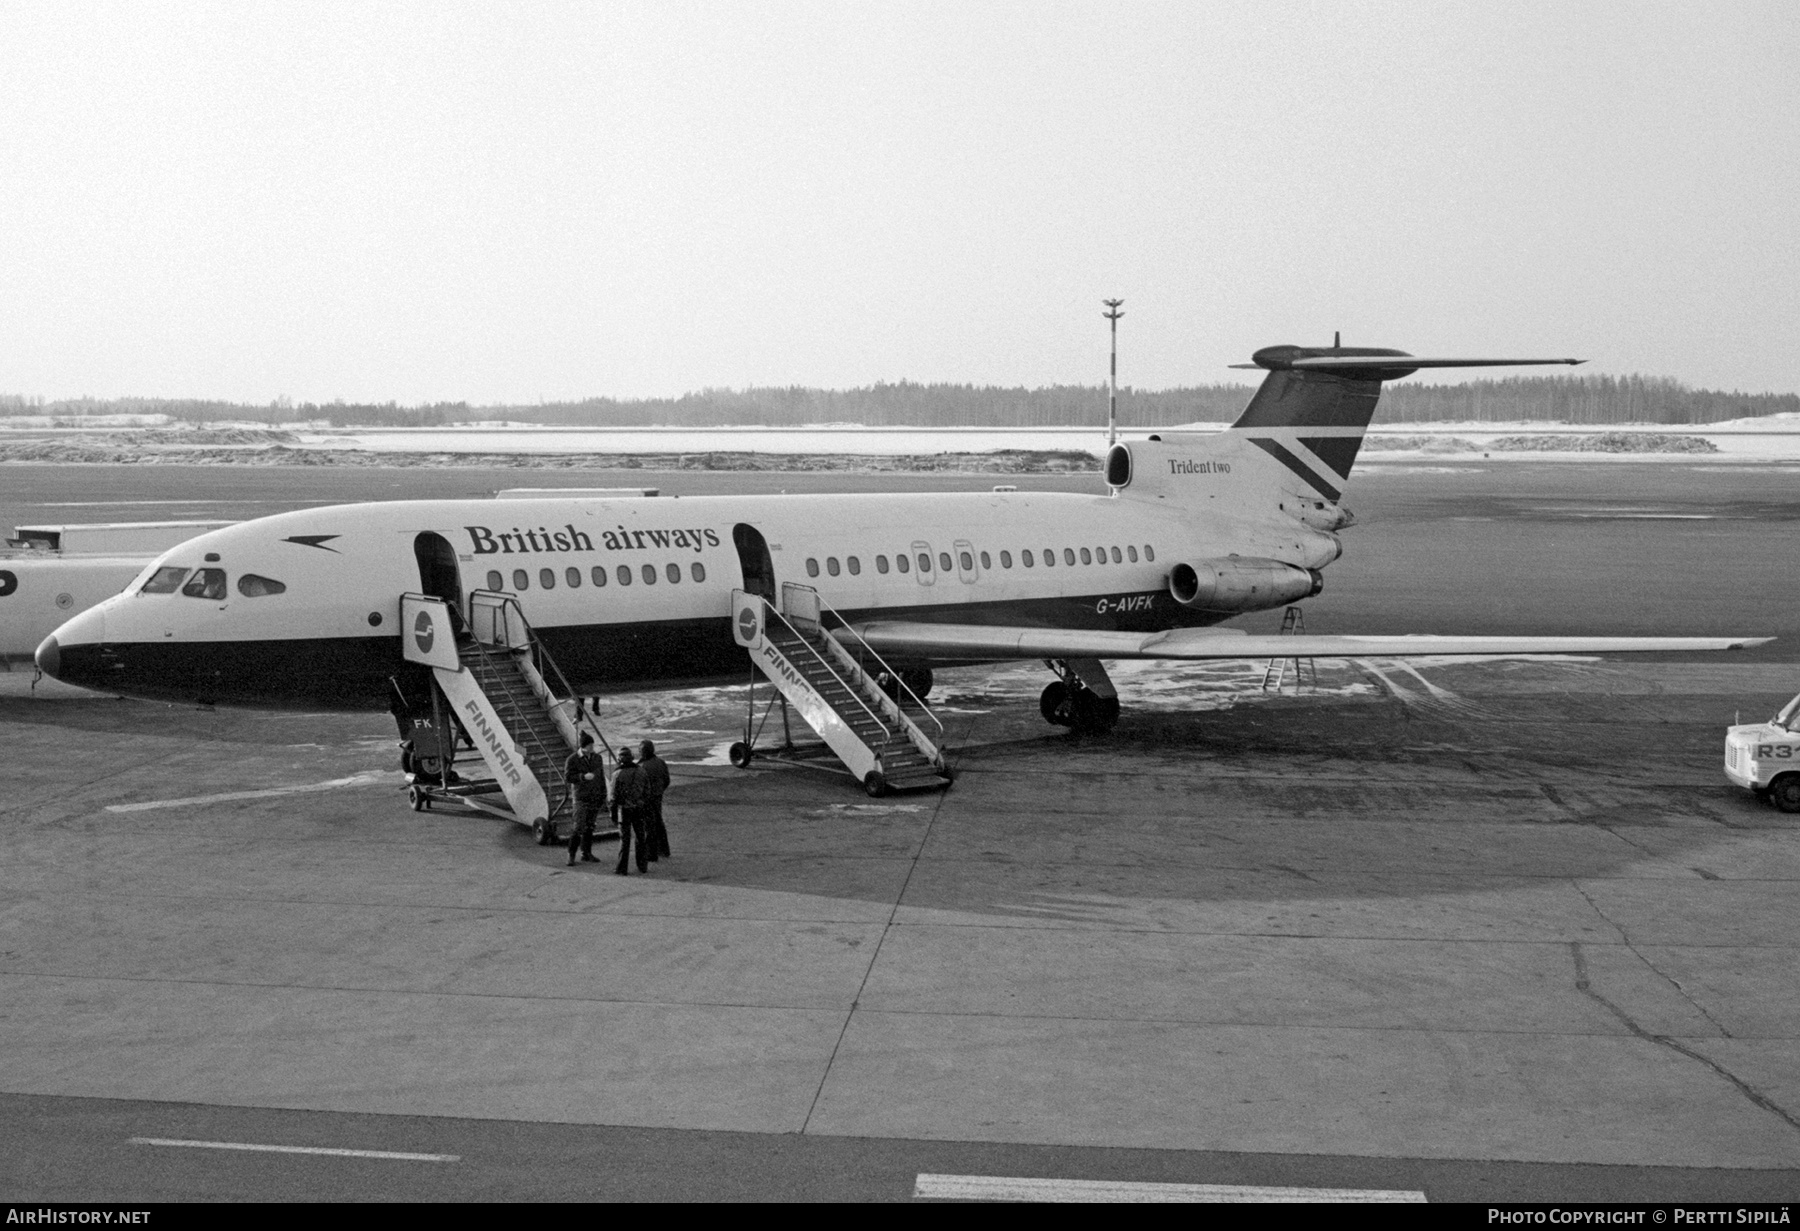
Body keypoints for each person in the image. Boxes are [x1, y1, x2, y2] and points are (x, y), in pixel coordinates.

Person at [563, 731, 608, 866]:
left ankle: (586, 853)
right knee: (578, 827)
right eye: (589, 745)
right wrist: (582, 777)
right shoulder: (572, 760)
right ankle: (571, 855)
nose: (592, 748)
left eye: (592, 745)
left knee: (590, 826)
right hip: (581, 797)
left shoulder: (597, 758)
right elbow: (568, 777)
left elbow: (600, 777)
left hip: (595, 796)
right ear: (583, 746)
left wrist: (603, 795)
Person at [611, 747, 649, 875]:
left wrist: (613, 814)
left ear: (619, 759)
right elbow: (647, 791)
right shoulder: (641, 771)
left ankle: (622, 868)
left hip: (624, 810)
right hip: (639, 808)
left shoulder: (617, 774)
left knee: (625, 839)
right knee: (640, 837)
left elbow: (613, 797)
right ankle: (642, 866)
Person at [639, 739, 672, 861]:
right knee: (659, 822)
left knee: (649, 825)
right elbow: (667, 780)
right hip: (658, 796)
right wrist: (659, 791)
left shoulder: (642, 766)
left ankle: (651, 853)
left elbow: (639, 786)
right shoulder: (660, 762)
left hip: (646, 799)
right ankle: (664, 850)